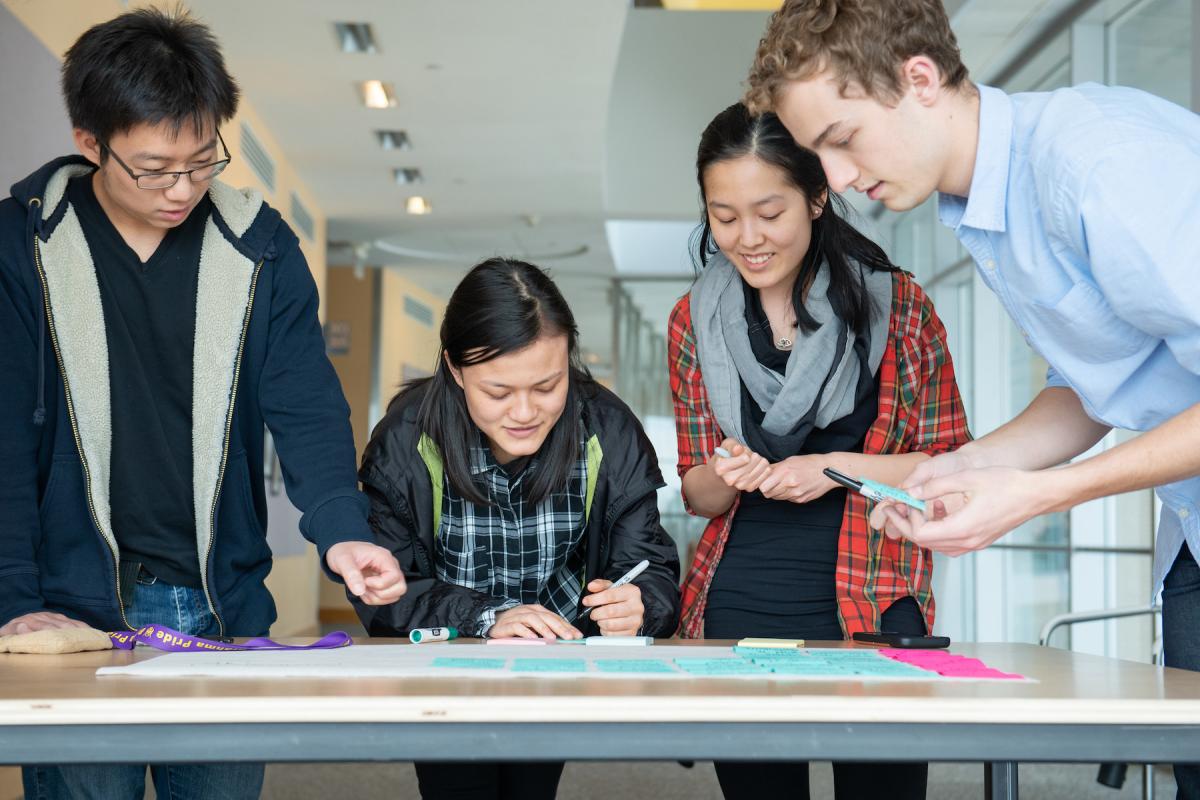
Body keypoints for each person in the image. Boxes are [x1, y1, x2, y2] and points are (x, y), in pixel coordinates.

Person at [745, 1, 1200, 795]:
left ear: (919, 79)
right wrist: (958, 471)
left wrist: (1038, 495)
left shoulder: (1096, 166)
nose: (841, 181)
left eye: (843, 141)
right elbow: (1094, 385)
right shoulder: (986, 207)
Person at [0, 8, 405, 799]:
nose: (181, 189)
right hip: (72, 610)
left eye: (202, 161)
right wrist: (14, 601)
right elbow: (5, 437)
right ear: (90, 141)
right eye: (154, 168)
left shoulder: (261, 247)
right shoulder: (23, 245)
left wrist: (343, 534)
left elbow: (308, 409)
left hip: (220, 605)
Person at [668, 102, 970, 800]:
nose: (748, 238)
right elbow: (696, 496)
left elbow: (953, 461)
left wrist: (833, 473)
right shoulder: (694, 318)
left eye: (769, 212)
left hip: (873, 597)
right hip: (739, 604)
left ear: (816, 196)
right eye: (725, 216)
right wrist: (723, 471)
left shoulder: (899, 307)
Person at [354, 256, 681, 800]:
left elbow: (650, 562)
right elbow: (388, 589)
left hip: (555, 667)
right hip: (446, 665)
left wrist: (642, 603)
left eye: (547, 386)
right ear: (455, 369)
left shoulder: (609, 428)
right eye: (498, 392)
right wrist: (488, 617)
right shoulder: (406, 440)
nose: (525, 412)